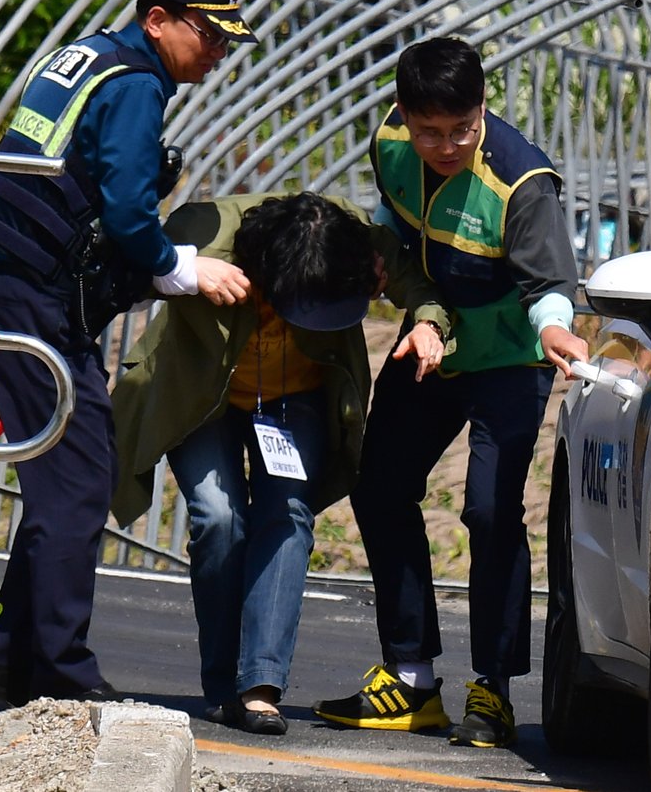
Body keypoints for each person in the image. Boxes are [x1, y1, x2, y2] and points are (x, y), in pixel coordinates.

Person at [0, 0, 257, 705]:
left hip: (20, 290)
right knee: (82, 481)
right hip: (35, 299)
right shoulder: (133, 86)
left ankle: (13, 657)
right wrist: (183, 267)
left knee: (67, 478)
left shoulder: (88, 55)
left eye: (229, 38)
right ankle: (62, 674)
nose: (220, 52)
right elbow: (127, 210)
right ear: (158, 20)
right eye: (210, 34)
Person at [313, 37, 589, 749]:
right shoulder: (391, 146)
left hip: (512, 356)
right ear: (403, 114)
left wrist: (556, 330)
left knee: (492, 511)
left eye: (460, 129)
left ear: (483, 109)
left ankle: (492, 690)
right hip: (430, 341)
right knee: (379, 488)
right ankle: (410, 678)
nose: (445, 145)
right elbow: (400, 232)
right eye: (429, 130)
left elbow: (550, 285)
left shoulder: (522, 182)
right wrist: (409, 294)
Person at [109, 192, 450, 735]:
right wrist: (184, 269)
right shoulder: (204, 228)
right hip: (202, 394)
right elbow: (124, 267)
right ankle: (223, 685)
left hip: (297, 399)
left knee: (287, 516)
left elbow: (420, 286)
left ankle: (261, 686)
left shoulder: (352, 236)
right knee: (218, 517)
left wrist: (429, 324)